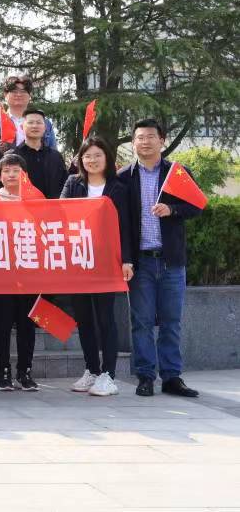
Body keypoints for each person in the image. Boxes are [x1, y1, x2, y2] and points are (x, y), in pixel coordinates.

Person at [118, 118, 202, 398]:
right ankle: (145, 376)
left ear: (162, 141)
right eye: (140, 137)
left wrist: (172, 210)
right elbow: (119, 222)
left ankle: (172, 377)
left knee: (171, 322)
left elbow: (196, 206)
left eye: (150, 136)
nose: (145, 142)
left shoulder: (177, 173)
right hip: (140, 262)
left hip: (171, 261)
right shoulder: (124, 177)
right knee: (141, 321)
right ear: (133, 143)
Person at [63, 136, 135, 397]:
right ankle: (91, 370)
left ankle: (108, 375)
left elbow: (125, 226)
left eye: (97, 155)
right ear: (80, 160)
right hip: (78, 260)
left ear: (107, 158)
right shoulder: (73, 183)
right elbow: (59, 213)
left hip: (107, 262)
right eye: (87, 156)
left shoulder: (118, 188)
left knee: (106, 319)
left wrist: (127, 260)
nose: (92, 160)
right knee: (83, 319)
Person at [0, 153, 40, 391]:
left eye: (16, 171)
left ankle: (25, 371)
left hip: (28, 268)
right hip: (1, 270)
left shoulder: (36, 198)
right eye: (6, 171)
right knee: (3, 323)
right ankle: (4, 372)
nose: (11, 175)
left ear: (24, 175)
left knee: (27, 323)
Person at [0, 74, 57, 152]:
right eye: (14, 91)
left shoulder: (45, 123)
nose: (18, 95)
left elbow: (53, 153)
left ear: (30, 95)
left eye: (23, 91)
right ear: (5, 95)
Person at [7, 108, 68, 198]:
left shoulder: (56, 156)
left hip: (54, 205)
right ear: (22, 127)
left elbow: (65, 185)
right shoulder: (13, 157)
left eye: (39, 123)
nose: (35, 126)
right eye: (30, 122)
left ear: (45, 128)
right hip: (23, 205)